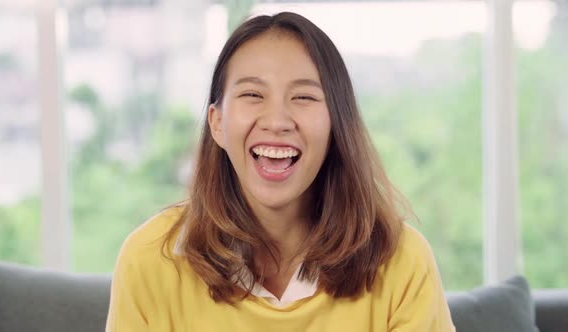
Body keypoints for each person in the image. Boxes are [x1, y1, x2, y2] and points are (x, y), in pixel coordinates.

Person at [106, 12, 455, 332]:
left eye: (303, 97)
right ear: (217, 123)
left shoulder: (402, 260)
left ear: (336, 125)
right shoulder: (150, 259)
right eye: (253, 94)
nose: (277, 121)